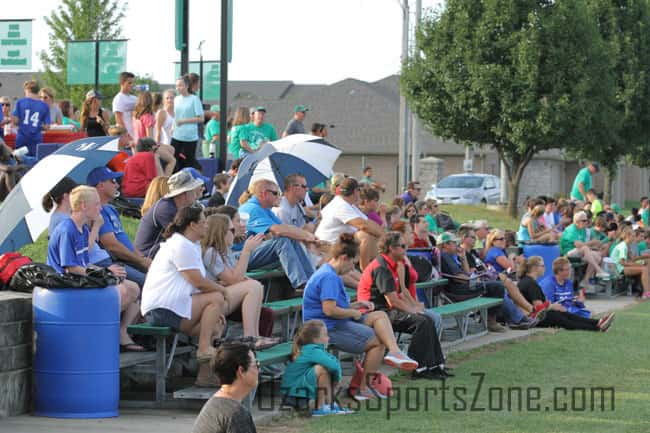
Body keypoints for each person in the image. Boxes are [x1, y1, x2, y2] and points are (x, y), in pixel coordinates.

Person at [302, 233, 418, 401]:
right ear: (343, 258)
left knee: (379, 314)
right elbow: (329, 310)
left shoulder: (330, 273)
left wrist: (357, 305)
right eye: (352, 263)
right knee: (377, 343)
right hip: (326, 328)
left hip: (333, 322)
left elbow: (333, 307)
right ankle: (363, 388)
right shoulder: (328, 277)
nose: (352, 269)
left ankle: (394, 351)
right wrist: (353, 312)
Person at [47, 185, 144, 351]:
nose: (101, 208)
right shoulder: (67, 229)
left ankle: (118, 332)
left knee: (133, 288)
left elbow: (84, 262)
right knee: (121, 291)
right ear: (84, 206)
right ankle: (93, 331)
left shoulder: (83, 228)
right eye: (97, 204)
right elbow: (71, 268)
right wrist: (104, 272)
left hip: (80, 278)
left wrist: (107, 271)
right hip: (67, 285)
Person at [141, 205, 228, 387]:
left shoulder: (190, 245)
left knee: (216, 326)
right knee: (216, 298)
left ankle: (204, 377)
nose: (206, 226)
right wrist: (222, 290)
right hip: (161, 309)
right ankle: (204, 348)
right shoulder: (180, 244)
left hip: (173, 306)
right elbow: (197, 281)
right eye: (203, 222)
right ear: (192, 225)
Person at [358, 231, 451, 380]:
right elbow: (392, 301)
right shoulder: (381, 267)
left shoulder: (393, 264)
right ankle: (419, 367)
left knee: (427, 319)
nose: (406, 249)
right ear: (391, 248)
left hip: (387, 311)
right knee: (422, 321)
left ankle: (435, 365)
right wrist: (412, 309)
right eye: (402, 246)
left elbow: (400, 294)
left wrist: (414, 307)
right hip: (376, 314)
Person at [201, 213, 278, 347]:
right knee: (252, 286)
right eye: (231, 230)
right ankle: (250, 338)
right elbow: (234, 280)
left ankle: (254, 336)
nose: (235, 232)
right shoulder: (210, 252)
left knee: (256, 286)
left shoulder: (224, 251)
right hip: (210, 304)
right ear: (220, 232)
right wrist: (246, 251)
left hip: (219, 297)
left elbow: (236, 278)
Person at [238, 179, 316, 290]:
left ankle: (311, 280)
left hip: (248, 253)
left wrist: (306, 237)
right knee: (282, 240)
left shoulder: (264, 209)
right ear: (264, 193)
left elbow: (285, 228)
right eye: (275, 193)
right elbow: (279, 230)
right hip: (238, 257)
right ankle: (302, 284)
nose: (279, 196)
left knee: (289, 237)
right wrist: (306, 235)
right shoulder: (252, 208)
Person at [87, 166, 152, 275]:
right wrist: (141, 261)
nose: (117, 185)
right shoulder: (97, 212)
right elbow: (112, 246)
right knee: (147, 282)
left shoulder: (111, 209)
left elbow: (124, 238)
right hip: (117, 261)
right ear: (101, 185)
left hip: (130, 258)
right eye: (112, 181)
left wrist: (142, 258)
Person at [280, 320, 353, 416]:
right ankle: (320, 408)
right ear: (315, 339)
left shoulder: (315, 349)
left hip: (297, 391)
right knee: (321, 369)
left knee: (326, 369)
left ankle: (330, 405)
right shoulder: (312, 350)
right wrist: (337, 379)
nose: (328, 338)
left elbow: (333, 362)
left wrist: (335, 376)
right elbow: (333, 366)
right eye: (325, 335)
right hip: (292, 394)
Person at [523, 257, 615, 331]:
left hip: (540, 315)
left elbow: (540, 307)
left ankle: (599, 322)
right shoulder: (534, 284)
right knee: (566, 319)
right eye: (542, 266)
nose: (545, 268)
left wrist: (578, 301)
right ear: (534, 268)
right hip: (534, 319)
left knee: (568, 316)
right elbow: (539, 309)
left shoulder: (530, 282)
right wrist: (552, 306)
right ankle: (597, 326)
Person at [315, 177, 383, 269]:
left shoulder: (347, 204)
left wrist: (382, 235)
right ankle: (366, 270)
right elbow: (364, 226)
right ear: (355, 191)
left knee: (373, 235)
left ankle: (376, 268)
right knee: (365, 235)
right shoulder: (341, 205)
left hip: (339, 244)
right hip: (327, 247)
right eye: (359, 190)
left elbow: (368, 222)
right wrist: (383, 237)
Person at [191, 343, 259, 433]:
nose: (259, 370)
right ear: (241, 371)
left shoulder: (216, 403)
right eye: (256, 365)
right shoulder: (236, 414)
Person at [135, 170, 204, 258]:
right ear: (184, 194)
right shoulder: (165, 209)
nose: (195, 195)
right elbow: (185, 237)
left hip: (160, 255)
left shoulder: (174, 206)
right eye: (193, 191)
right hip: (148, 258)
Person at [560, 211, 610, 288]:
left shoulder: (582, 229)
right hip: (567, 253)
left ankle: (585, 281)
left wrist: (594, 247)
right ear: (576, 221)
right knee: (585, 248)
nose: (586, 222)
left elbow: (584, 246)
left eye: (586, 220)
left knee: (596, 255)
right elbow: (578, 245)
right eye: (584, 220)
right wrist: (591, 243)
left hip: (579, 252)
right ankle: (598, 270)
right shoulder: (571, 229)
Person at [172, 75, 203, 171]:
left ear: (187, 86)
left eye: (180, 85)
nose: (178, 88)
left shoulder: (194, 99)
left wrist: (184, 121)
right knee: (174, 160)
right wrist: (173, 126)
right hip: (176, 135)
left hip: (190, 137)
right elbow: (175, 116)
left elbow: (201, 118)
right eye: (177, 86)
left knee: (188, 162)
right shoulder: (176, 99)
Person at [11, 80, 50, 158]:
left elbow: (15, 121)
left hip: (22, 139)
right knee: (34, 164)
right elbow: (47, 127)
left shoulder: (20, 102)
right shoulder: (44, 106)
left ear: (27, 90)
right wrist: (37, 126)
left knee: (20, 162)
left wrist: (11, 116)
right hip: (36, 140)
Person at [609, 225, 650, 299]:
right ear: (628, 236)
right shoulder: (623, 246)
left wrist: (645, 257)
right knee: (644, 269)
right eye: (633, 236)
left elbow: (632, 259)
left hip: (622, 267)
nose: (634, 238)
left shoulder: (627, 245)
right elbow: (622, 263)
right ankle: (646, 293)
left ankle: (645, 291)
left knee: (647, 263)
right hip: (618, 269)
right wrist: (637, 264)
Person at [112, 71, 137, 139]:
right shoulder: (118, 98)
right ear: (122, 83)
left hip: (136, 134)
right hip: (126, 137)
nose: (132, 85)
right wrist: (127, 135)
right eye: (129, 83)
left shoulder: (135, 98)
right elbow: (118, 120)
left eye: (132, 83)